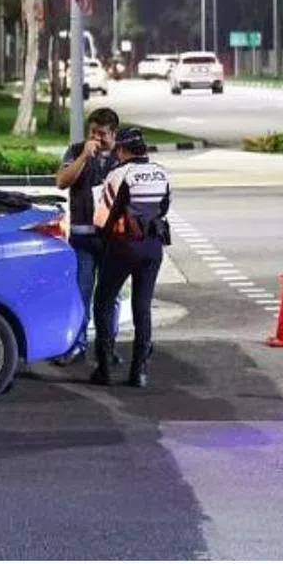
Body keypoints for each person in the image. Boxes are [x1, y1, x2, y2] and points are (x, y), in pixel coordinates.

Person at [90, 127, 171, 388]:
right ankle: (140, 371)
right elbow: (165, 207)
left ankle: (104, 368)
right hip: (152, 247)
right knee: (142, 306)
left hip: (123, 245)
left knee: (103, 301)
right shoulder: (161, 172)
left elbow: (103, 217)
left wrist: (101, 242)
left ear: (122, 150)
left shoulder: (119, 173)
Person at [53, 107, 123, 366]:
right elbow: (61, 182)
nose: (96, 138)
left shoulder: (121, 155)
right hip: (82, 237)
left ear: (113, 133)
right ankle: (76, 345)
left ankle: (107, 346)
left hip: (112, 239)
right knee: (80, 294)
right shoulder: (76, 150)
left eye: (102, 133)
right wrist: (83, 156)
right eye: (93, 132)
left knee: (111, 297)